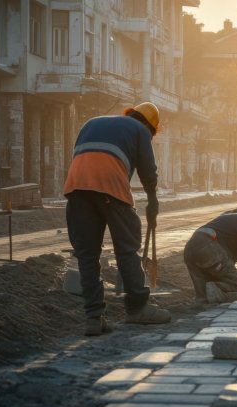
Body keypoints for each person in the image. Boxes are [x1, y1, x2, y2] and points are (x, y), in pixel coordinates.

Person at [62, 102, 171, 336]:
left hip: (76, 187)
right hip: (110, 186)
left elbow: (82, 156)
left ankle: (93, 317)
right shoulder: (140, 130)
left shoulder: (91, 123)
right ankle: (137, 309)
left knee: (87, 256)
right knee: (127, 249)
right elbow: (148, 171)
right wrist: (152, 201)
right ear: (150, 127)